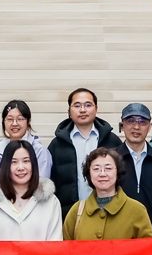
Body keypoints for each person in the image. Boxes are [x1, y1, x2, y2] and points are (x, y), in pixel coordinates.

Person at [0, 140, 63, 241]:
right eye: (14, 162)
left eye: (26, 161)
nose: (20, 168)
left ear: (34, 164)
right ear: (5, 166)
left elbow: (55, 244)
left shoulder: (51, 202)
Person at [47, 87, 118, 217]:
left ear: (96, 108)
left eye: (88, 105)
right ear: (69, 111)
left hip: (108, 212)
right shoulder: (57, 144)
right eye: (77, 105)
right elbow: (51, 181)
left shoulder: (112, 141)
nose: (83, 110)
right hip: (69, 214)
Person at [63, 148, 152, 241]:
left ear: (117, 172)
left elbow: (149, 247)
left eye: (108, 168)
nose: (102, 174)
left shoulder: (137, 210)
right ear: (89, 174)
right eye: (96, 169)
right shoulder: (77, 210)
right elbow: (66, 247)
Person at [114, 103, 152, 235]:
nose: (136, 127)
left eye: (142, 122)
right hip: (119, 237)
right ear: (122, 125)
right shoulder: (111, 160)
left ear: (150, 126)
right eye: (130, 121)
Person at [0, 99, 53, 180]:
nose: (14, 123)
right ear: (3, 122)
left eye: (20, 119)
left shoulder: (40, 151)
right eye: (10, 119)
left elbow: (41, 183)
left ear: (28, 122)